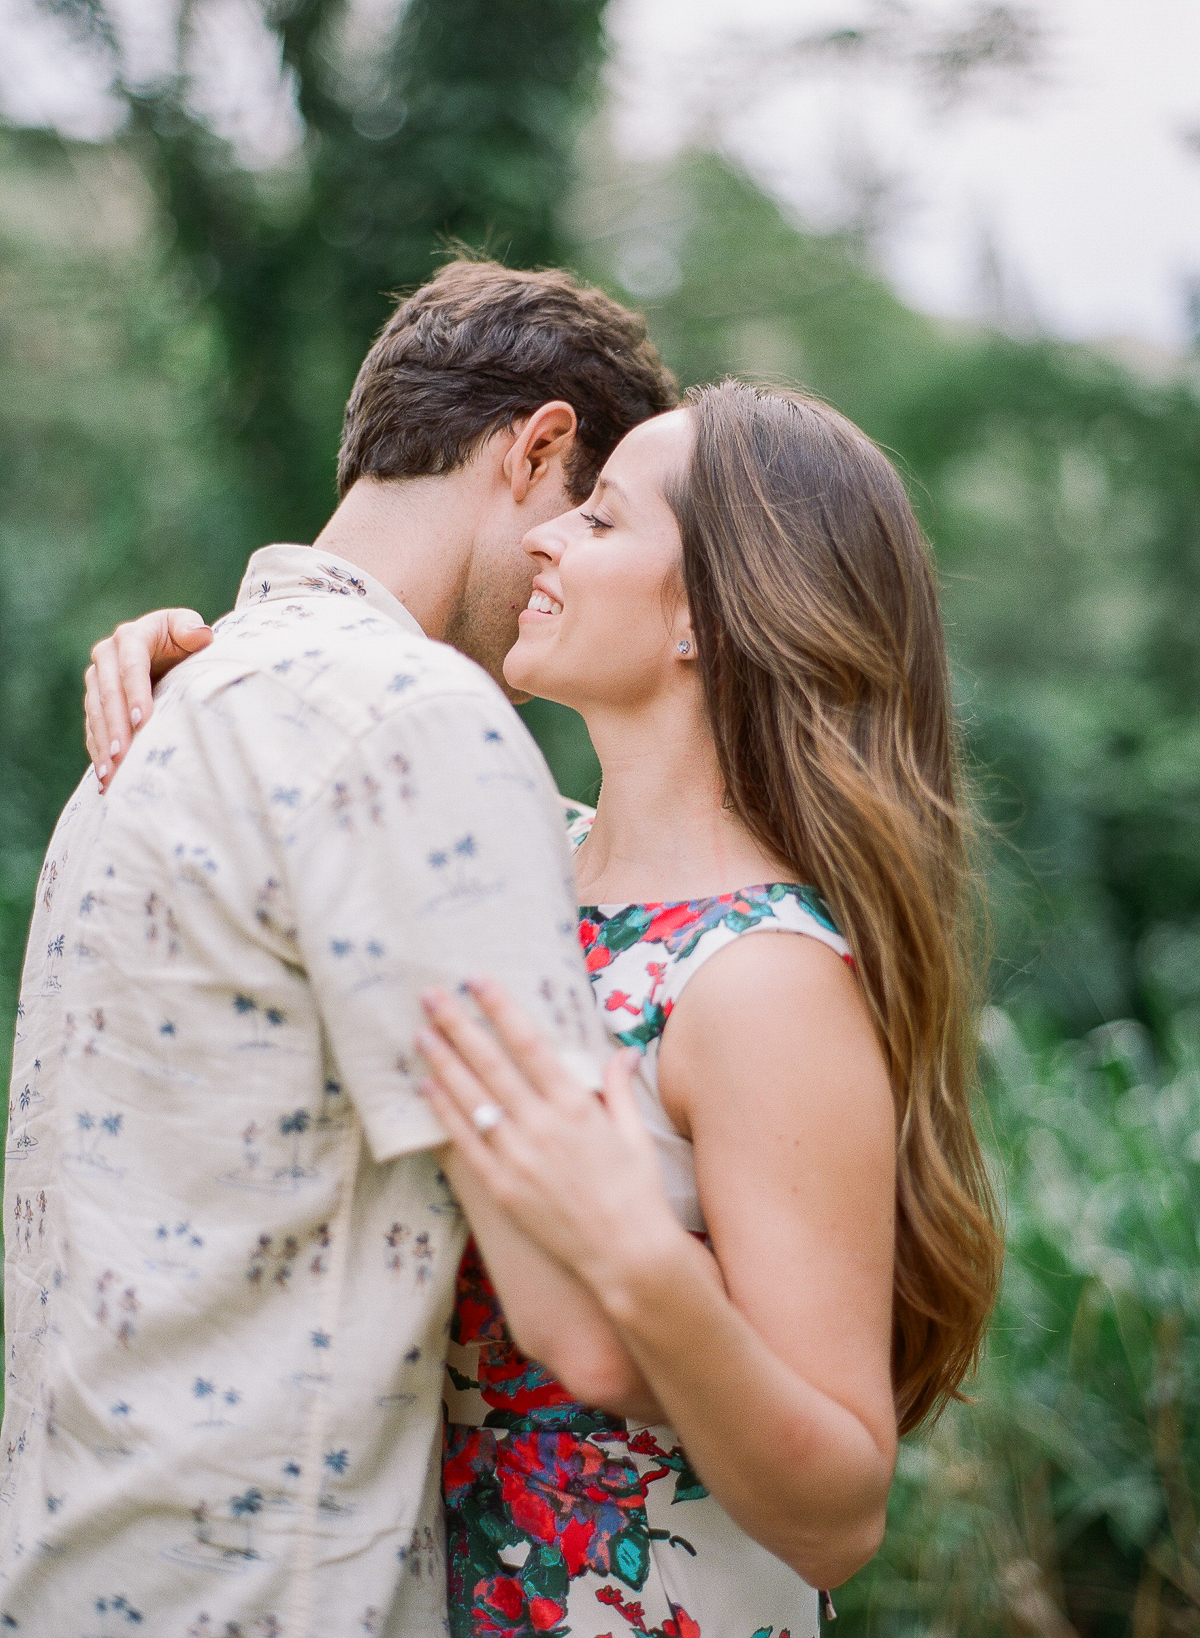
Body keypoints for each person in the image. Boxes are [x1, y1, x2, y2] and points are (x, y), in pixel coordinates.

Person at [84, 381, 1004, 1636]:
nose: (545, 539)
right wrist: (221, 679)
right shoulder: (516, 872)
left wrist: (636, 1256)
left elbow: (840, 1510)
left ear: (702, 617)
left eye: (604, 522)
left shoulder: (761, 981)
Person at [2, 259, 677, 1636]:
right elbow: (589, 1316)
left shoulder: (169, 713)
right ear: (536, 448)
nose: (570, 568)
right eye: (589, 514)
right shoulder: (413, 722)